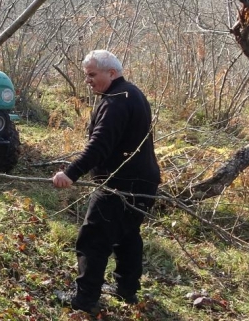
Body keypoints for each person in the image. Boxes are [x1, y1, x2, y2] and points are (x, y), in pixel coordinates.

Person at [52, 50, 161, 314]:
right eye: (86, 75)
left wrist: (71, 173)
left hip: (120, 184)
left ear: (112, 73)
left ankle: (85, 299)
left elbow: (99, 145)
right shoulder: (130, 93)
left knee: (92, 239)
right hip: (144, 181)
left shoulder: (116, 101)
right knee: (127, 235)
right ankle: (126, 290)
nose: (87, 80)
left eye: (92, 75)